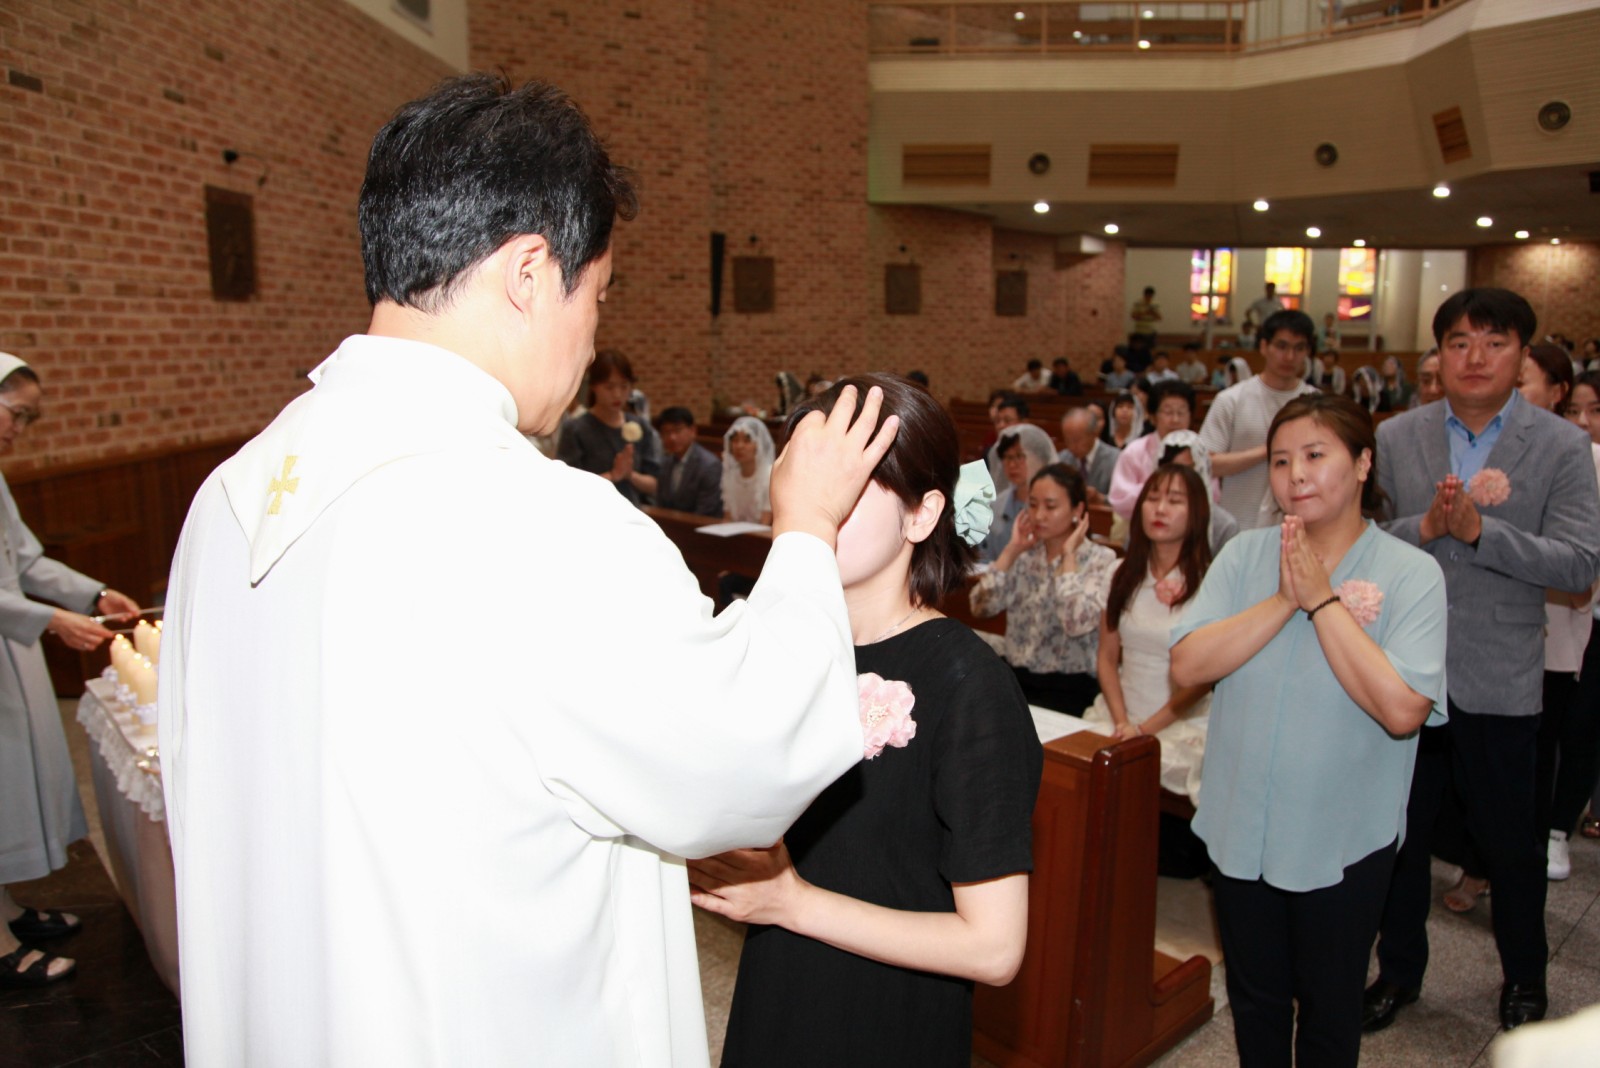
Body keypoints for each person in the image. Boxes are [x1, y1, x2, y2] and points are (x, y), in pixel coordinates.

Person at [158, 74, 903, 1066]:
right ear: (528, 271)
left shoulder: (227, 502)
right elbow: (752, 759)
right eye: (598, 295)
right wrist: (805, 527)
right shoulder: (538, 520)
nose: (592, 335)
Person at [691, 373, 1042, 1068]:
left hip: (887, 1020)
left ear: (921, 515)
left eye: (850, 483)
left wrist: (792, 903)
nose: (818, 504)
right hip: (778, 992)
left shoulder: (968, 684)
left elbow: (995, 948)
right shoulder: (778, 642)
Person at [1171, 393, 1448, 1068]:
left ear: (1362, 463)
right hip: (1241, 824)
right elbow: (1187, 665)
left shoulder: (1411, 571)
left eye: (1315, 455)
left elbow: (1403, 709)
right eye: (1280, 460)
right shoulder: (1246, 555)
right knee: (1255, 999)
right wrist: (1282, 599)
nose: (1295, 474)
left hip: (1341, 838)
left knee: (1330, 1008)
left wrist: (1322, 600)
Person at [1364, 288, 1600, 1035]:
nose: (1475, 357)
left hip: (1500, 674)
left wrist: (1478, 533)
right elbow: (1362, 542)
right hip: (1405, 670)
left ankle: (1525, 977)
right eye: (1459, 342)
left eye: (1495, 343)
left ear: (1522, 355)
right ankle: (1399, 972)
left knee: (1510, 845)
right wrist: (1426, 525)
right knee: (1399, 839)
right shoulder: (1397, 435)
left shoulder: (1560, 445)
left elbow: (1580, 563)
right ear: (1438, 354)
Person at [0, 354, 140, 989]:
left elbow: (24, 562)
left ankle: (6, 906)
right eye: (16, 414)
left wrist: (93, 593)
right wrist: (51, 620)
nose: (19, 429)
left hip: (15, 648)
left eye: (29, 419)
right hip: (15, 635)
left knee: (14, 785)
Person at [1082, 464, 1212, 802]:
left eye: (1174, 500)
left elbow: (1201, 680)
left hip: (1177, 720)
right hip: (1120, 713)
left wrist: (1144, 730)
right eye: (1152, 499)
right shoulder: (1120, 573)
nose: (1160, 509)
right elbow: (1107, 658)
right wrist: (1123, 722)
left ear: (1196, 512)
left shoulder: (1209, 582)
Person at [1519, 346, 1599, 882]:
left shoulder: (1585, 460)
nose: (1584, 422)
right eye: (1578, 412)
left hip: (1570, 614)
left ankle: (1554, 830)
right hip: (1526, 617)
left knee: (1571, 729)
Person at [971, 463, 1117, 715]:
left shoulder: (1100, 560)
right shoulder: (1025, 556)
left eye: (1050, 506)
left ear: (1078, 510)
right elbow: (980, 607)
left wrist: (1069, 557)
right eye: (1033, 504)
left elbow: (1075, 623)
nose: (1039, 515)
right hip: (1017, 678)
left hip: (1069, 687)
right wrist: (1010, 551)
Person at [1199, 309, 1320, 531]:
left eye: (1299, 348)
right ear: (1264, 346)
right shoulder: (1231, 399)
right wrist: (1268, 450)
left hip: (1301, 527)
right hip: (1240, 524)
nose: (1289, 356)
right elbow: (1206, 463)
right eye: (1281, 346)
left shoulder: (1318, 404)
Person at [556, 348, 661, 506]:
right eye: (609, 387)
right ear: (594, 386)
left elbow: (654, 484)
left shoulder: (640, 425)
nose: (617, 394)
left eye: (624, 386)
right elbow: (567, 486)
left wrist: (630, 475)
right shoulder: (576, 428)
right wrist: (613, 475)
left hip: (633, 509)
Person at [1107, 379, 1195, 520]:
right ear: (1153, 417)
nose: (1175, 419)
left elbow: (1212, 495)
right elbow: (1119, 499)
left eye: (1181, 412)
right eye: (1168, 412)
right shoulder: (1134, 451)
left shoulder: (1199, 452)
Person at [976, 424, 1057, 565]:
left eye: (1020, 456)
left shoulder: (1053, 506)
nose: (1012, 465)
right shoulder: (996, 505)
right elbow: (983, 555)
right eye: (1007, 458)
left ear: (1040, 460)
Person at [1158, 431, 1240, 551]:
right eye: (1169, 470)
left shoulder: (1224, 526)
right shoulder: (1149, 515)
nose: (1176, 479)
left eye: (1187, 469)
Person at [653, 406, 722, 516]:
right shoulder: (666, 462)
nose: (672, 437)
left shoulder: (709, 465)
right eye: (666, 432)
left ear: (692, 431)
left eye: (677, 430)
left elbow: (706, 511)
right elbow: (660, 504)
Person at [1059, 406, 1119, 503]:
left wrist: (1102, 499)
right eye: (1067, 440)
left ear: (1094, 434)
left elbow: (1123, 501)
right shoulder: (1061, 459)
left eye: (1077, 440)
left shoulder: (1116, 459)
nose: (1072, 446)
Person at [722, 416, 775, 525]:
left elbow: (766, 522)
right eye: (735, 440)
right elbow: (728, 518)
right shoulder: (730, 475)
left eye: (747, 441)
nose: (739, 446)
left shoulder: (770, 475)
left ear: (758, 445)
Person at [1129, 286, 1161, 368]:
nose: (1149, 298)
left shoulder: (1155, 304)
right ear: (1144, 295)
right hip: (1140, 330)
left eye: (1151, 296)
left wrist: (1153, 312)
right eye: (1147, 296)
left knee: (1151, 350)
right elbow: (1133, 316)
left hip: (1151, 330)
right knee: (1138, 349)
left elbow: (1159, 318)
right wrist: (1145, 312)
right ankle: (1137, 364)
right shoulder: (1138, 303)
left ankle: (1151, 365)